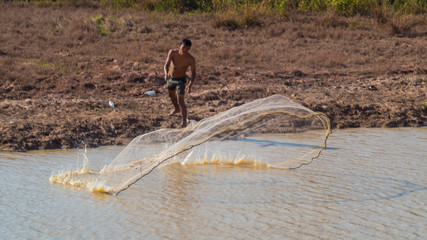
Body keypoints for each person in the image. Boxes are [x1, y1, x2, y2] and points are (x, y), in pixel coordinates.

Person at [164, 39, 196, 128]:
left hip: (181, 80)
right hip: (171, 78)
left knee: (181, 100)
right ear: (179, 46)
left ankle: (184, 122)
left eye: (188, 48)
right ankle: (176, 109)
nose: (185, 50)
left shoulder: (190, 59)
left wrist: (189, 85)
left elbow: (194, 73)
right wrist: (166, 73)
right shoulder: (172, 53)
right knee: (171, 95)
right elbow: (166, 65)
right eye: (183, 47)